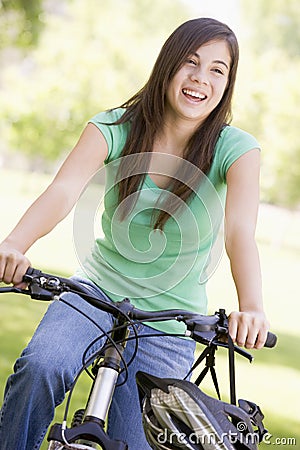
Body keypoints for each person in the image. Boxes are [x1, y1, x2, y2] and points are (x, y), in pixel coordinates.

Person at [0, 17, 270, 450]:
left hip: (172, 320)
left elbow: (239, 232)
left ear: (228, 82)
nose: (200, 79)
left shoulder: (236, 150)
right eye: (190, 62)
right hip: (95, 293)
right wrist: (14, 244)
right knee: (42, 367)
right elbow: (63, 191)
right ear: (167, 66)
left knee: (140, 441)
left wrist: (251, 307)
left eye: (217, 70)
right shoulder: (114, 126)